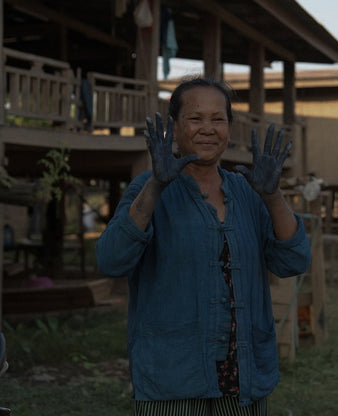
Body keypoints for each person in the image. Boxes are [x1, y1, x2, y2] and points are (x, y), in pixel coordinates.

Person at [96, 77, 311, 415]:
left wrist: (272, 196)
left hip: (243, 376)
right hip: (172, 377)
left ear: (229, 126)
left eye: (218, 119)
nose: (207, 129)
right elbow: (111, 260)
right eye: (195, 119)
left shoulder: (248, 192)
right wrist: (155, 185)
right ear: (175, 128)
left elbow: (295, 261)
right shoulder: (147, 189)